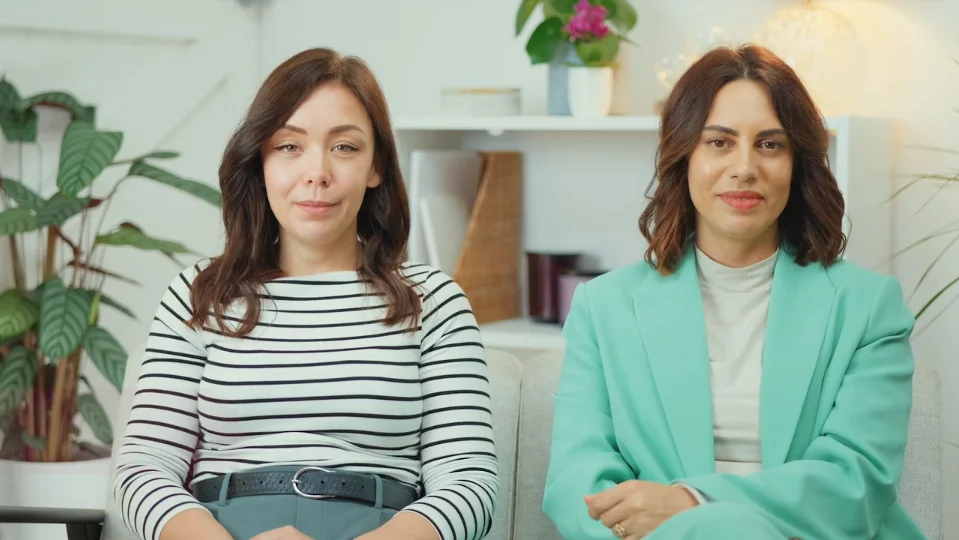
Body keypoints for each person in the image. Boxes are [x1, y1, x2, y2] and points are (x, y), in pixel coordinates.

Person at [112, 47, 498, 540]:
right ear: (260, 161)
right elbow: (143, 470)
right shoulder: (198, 295)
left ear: (376, 166)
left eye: (344, 147)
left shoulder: (434, 302)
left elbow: (469, 483)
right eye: (289, 147)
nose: (317, 172)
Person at [542, 44, 923, 540]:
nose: (745, 167)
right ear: (684, 156)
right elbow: (576, 479)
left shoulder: (868, 308)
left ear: (797, 163)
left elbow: (855, 484)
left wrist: (693, 504)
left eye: (770, 144)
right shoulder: (605, 308)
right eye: (719, 142)